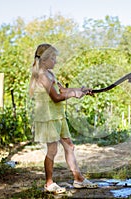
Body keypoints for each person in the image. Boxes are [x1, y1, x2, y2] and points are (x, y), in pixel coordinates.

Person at [29, 43, 98, 193]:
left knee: (69, 147)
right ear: (45, 59)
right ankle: (49, 183)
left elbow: (63, 90)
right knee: (52, 150)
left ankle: (78, 179)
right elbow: (56, 97)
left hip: (58, 116)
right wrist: (73, 94)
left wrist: (82, 90)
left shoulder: (50, 74)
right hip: (48, 117)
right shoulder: (42, 76)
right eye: (53, 58)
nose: (56, 61)